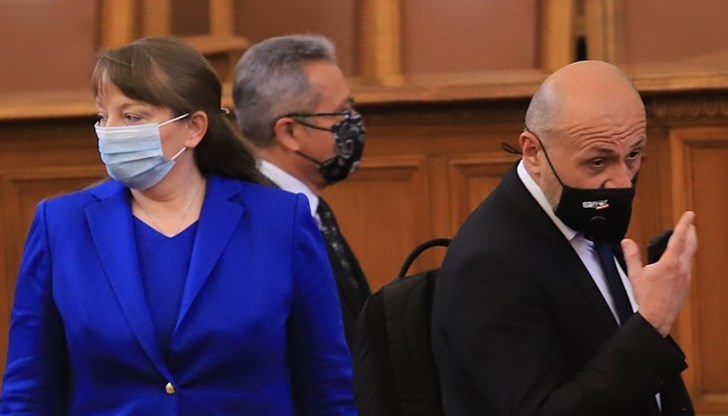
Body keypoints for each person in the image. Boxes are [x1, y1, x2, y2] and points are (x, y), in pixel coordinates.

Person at [0, 36, 356, 415]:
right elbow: (29, 391)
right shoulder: (61, 225)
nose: (110, 131)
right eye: (103, 116)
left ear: (194, 128)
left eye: (132, 117)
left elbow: (326, 385)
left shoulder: (280, 221)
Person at [431, 60, 697, 416]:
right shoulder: (490, 264)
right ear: (533, 152)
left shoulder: (582, 214)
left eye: (633, 155)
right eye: (598, 162)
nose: (621, 182)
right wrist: (651, 324)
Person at [232, 34, 371, 352]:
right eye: (341, 113)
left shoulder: (311, 210)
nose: (353, 124)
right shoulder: (259, 227)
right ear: (290, 132)